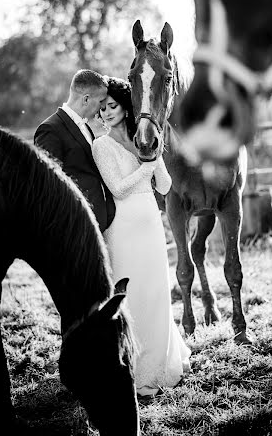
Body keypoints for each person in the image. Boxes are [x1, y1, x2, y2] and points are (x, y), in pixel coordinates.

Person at [92, 77, 191, 397]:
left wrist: (154, 153)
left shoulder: (142, 139)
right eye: (102, 109)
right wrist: (146, 168)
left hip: (150, 228)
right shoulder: (101, 145)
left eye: (112, 106)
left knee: (157, 294)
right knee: (132, 298)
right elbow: (118, 189)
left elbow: (164, 186)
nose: (106, 113)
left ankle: (162, 363)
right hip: (122, 231)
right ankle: (136, 372)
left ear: (125, 107)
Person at [34, 69, 115, 233]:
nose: (102, 108)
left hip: (97, 223)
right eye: (100, 102)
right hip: (75, 226)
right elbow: (47, 186)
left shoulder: (85, 126)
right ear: (86, 99)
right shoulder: (50, 129)